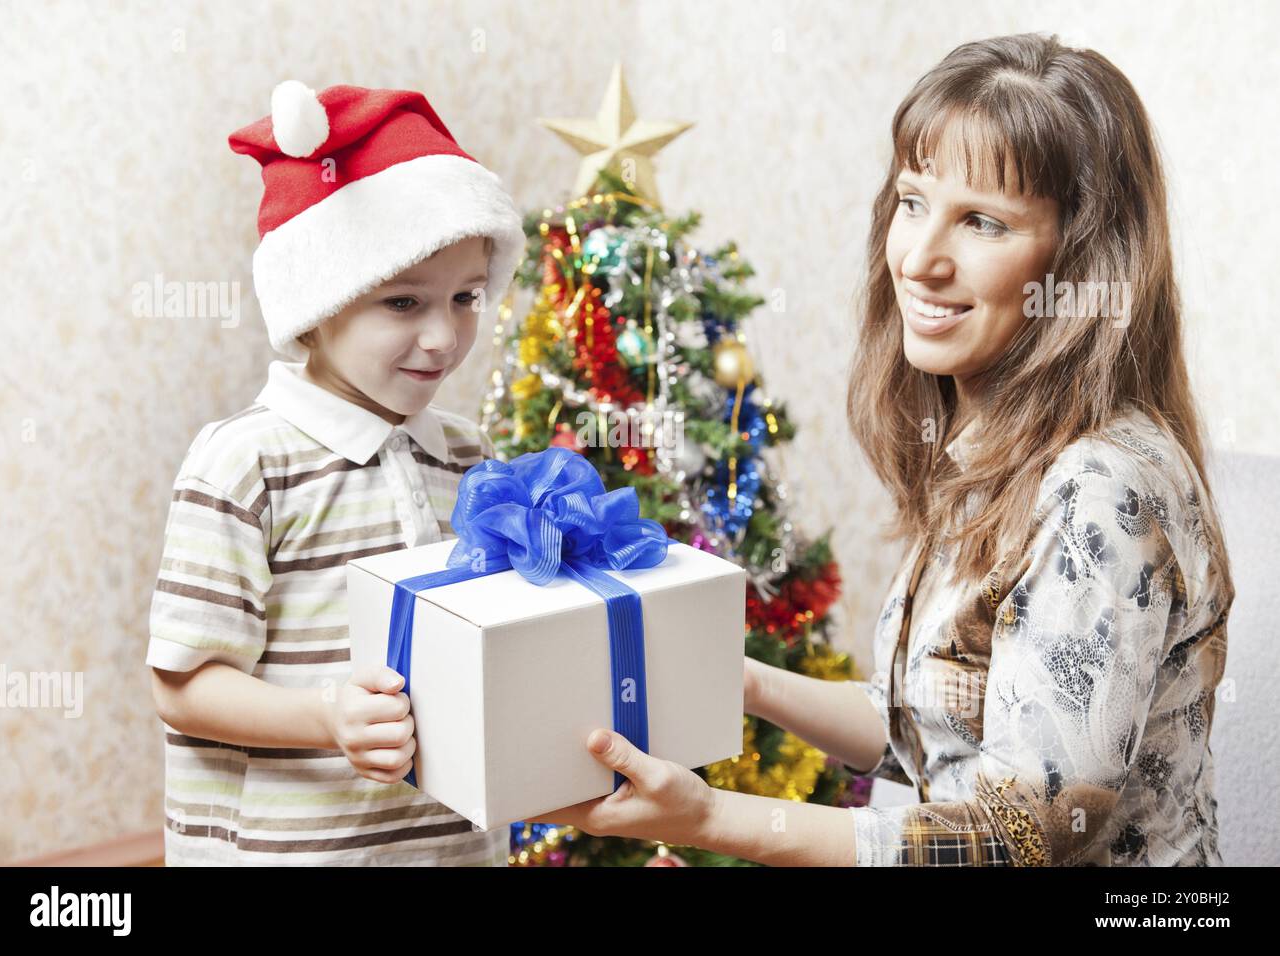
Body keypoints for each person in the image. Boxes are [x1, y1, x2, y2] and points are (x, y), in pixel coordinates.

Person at [531, 32, 1235, 866]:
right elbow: (936, 723)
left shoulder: (1099, 487)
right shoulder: (995, 447)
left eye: (982, 221)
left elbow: (1024, 838)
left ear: (1083, 260)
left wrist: (711, 818)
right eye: (912, 201)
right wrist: (744, 682)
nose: (920, 259)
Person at [145, 81, 525, 865]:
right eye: (402, 303)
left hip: (453, 850)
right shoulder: (246, 464)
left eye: (464, 298)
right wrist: (328, 717)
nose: (442, 337)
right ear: (316, 306)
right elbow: (182, 685)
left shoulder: (468, 457)